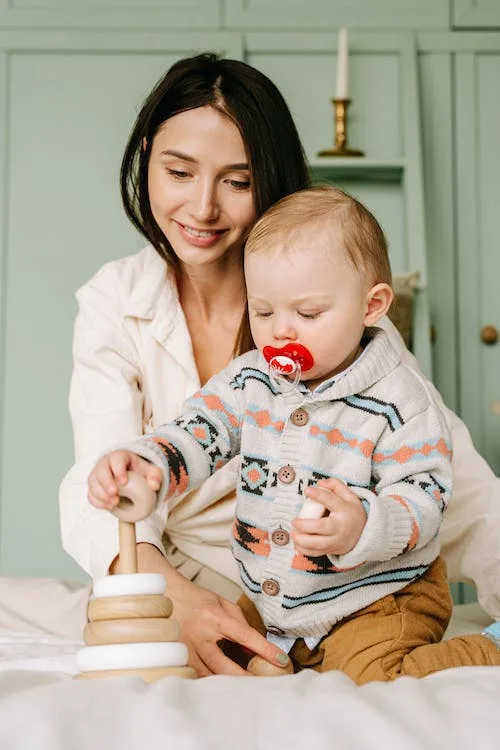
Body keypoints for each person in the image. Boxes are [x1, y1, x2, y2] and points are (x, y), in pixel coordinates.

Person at [59, 52, 500, 679]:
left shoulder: (332, 308)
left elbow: (452, 481)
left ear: (272, 180)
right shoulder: (115, 300)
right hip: (200, 578)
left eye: (237, 182)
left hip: (344, 580)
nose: (203, 207)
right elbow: (111, 473)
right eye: (179, 171)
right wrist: (171, 593)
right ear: (146, 161)